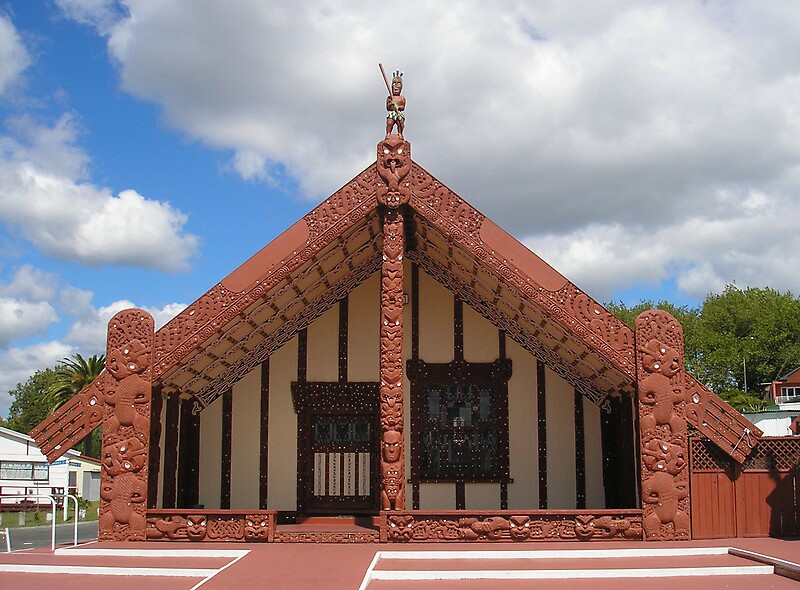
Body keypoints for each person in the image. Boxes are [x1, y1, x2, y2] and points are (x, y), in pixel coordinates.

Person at [386, 71, 405, 137]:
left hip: (398, 113)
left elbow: (403, 107)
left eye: (398, 83)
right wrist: (391, 103)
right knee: (389, 123)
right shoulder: (390, 97)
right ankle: (388, 133)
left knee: (400, 123)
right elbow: (388, 108)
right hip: (392, 113)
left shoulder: (402, 98)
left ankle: (400, 133)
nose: (395, 85)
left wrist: (398, 107)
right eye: (394, 83)